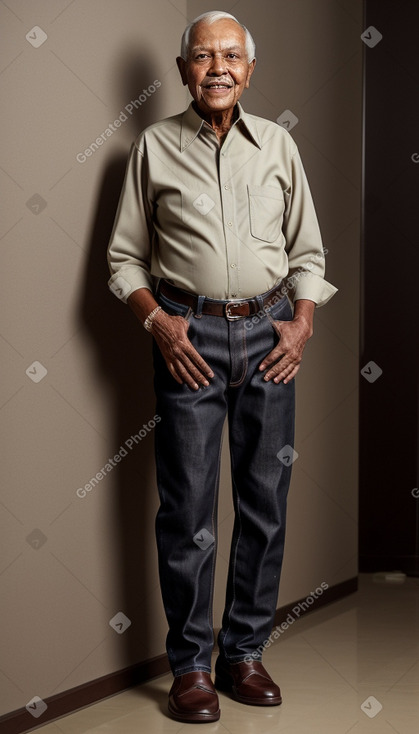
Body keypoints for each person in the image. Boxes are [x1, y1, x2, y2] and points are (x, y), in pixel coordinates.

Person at [107, 10, 337, 724]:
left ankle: (243, 655)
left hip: (271, 337)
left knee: (264, 506)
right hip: (189, 340)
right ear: (182, 71)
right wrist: (158, 323)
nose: (216, 67)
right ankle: (191, 669)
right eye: (202, 55)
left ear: (249, 69)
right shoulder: (152, 146)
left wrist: (299, 325)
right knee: (187, 511)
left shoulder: (277, 146)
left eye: (230, 56)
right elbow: (123, 259)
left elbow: (308, 254)